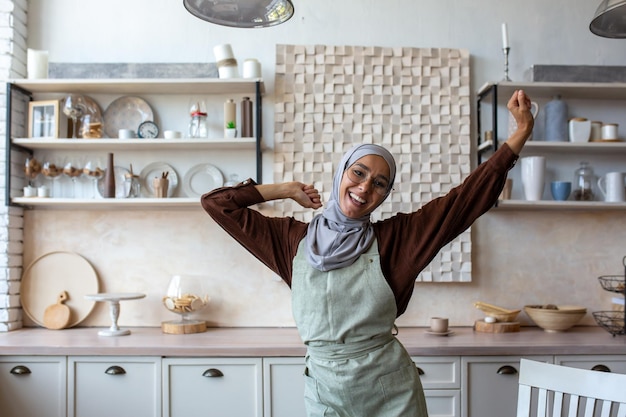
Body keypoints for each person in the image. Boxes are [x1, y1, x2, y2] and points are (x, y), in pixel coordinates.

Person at [201, 89, 535, 417]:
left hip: (390, 394)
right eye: (358, 172)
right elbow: (216, 204)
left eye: (379, 183)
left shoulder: (398, 239)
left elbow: (464, 200)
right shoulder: (291, 241)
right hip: (323, 393)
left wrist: (519, 135)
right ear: (341, 173)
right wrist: (284, 188)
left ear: (385, 195)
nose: (364, 188)